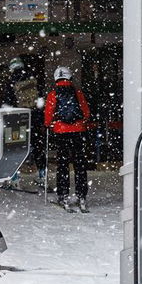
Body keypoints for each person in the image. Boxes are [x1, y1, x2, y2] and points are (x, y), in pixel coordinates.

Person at [43, 66, 92, 212]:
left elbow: (48, 115)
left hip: (61, 131)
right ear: (70, 77)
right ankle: (81, 196)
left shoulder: (53, 94)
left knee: (62, 165)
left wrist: (49, 124)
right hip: (78, 131)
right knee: (80, 164)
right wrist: (81, 122)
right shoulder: (77, 93)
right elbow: (86, 112)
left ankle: (63, 195)